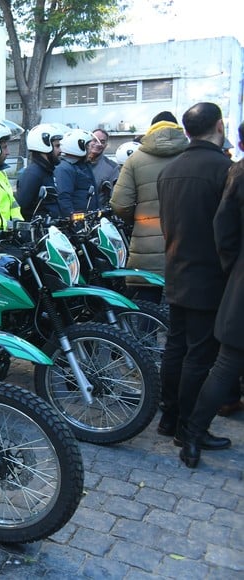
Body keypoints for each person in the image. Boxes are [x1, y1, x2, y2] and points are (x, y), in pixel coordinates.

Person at [156, 101, 232, 447]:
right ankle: (187, 427)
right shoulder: (224, 169)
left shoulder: (170, 169)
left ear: (187, 131)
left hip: (177, 268)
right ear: (219, 126)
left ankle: (169, 418)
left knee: (177, 348)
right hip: (210, 276)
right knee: (199, 355)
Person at [178, 120, 244, 468]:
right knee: (222, 365)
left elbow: (225, 229)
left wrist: (234, 269)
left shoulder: (237, 172)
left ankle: (191, 437)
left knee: (223, 365)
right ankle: (191, 435)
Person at [110, 117, 188, 303]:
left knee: (148, 300)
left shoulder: (135, 159)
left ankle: (150, 332)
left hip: (147, 241)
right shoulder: (193, 157)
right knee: (185, 302)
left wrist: (139, 221)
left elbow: (120, 204)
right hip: (187, 241)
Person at [15, 123, 64, 219]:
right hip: (39, 232)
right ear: (44, 147)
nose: (60, 150)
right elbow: (22, 208)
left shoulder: (48, 171)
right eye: (57, 146)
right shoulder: (32, 174)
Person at [54, 129, 99, 217]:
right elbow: (64, 198)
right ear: (77, 147)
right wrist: (74, 222)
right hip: (77, 225)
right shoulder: (64, 169)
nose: (90, 150)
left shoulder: (84, 165)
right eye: (87, 146)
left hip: (88, 220)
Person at [86, 128, 119, 204]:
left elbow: (114, 197)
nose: (98, 144)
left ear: (106, 145)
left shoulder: (112, 168)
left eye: (102, 141)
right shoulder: (77, 163)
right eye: (94, 140)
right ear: (88, 142)